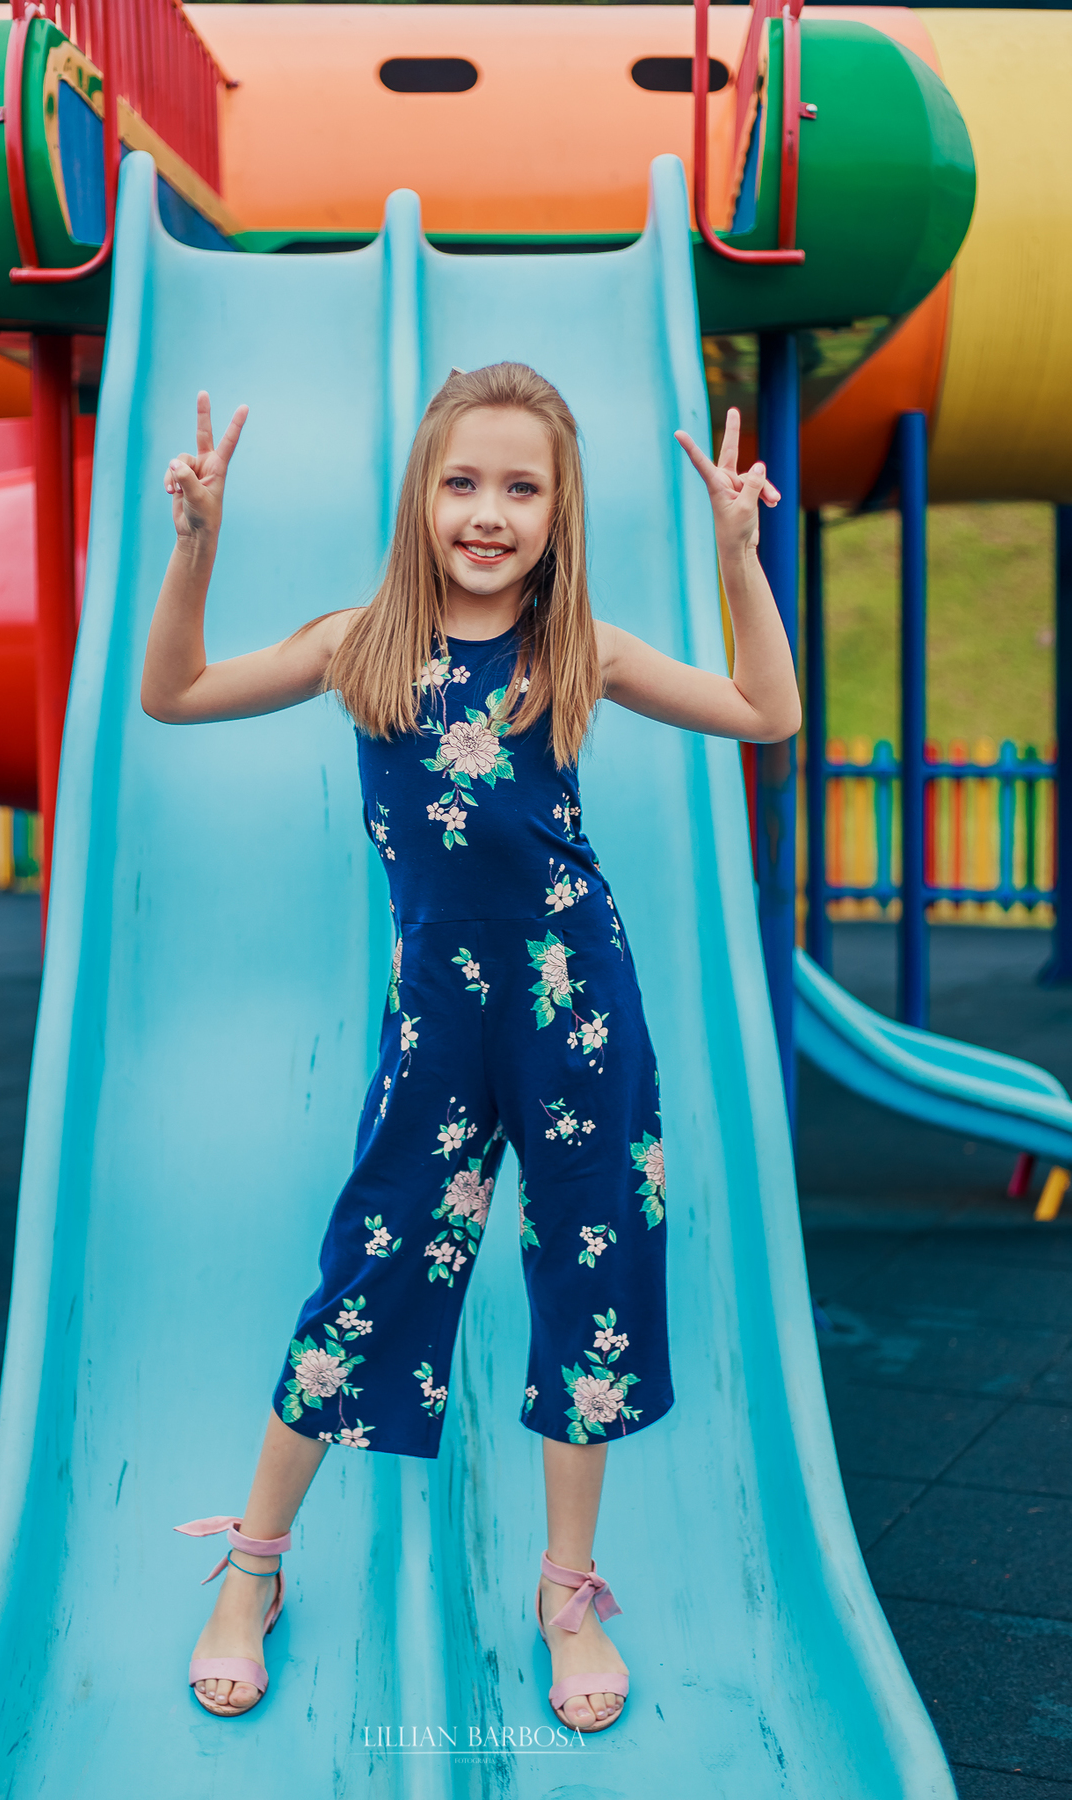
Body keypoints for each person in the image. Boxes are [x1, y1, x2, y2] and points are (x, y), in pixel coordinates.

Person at [140, 363, 800, 1731]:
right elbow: (175, 693)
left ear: (560, 512)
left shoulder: (582, 651)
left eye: (521, 487)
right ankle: (252, 1568)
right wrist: (193, 545)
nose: (488, 512)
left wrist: (743, 562)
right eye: (462, 482)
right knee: (371, 1265)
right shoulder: (360, 643)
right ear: (419, 500)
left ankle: (568, 1590)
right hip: (437, 1023)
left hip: (579, 1013)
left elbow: (766, 714)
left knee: (590, 1276)